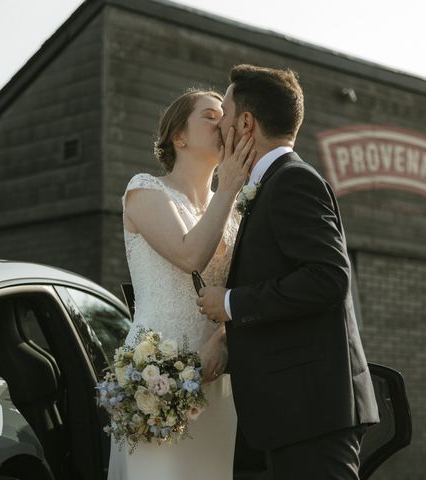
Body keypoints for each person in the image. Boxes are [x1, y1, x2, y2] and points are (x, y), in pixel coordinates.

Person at [197, 65, 380, 480]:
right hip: (295, 414)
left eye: (224, 113)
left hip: (313, 413)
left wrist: (230, 302)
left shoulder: (292, 180)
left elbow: (328, 277)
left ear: (247, 122)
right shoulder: (273, 183)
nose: (221, 124)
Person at [108, 89, 255, 480]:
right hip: (154, 372)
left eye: (225, 115)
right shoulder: (145, 190)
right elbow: (191, 256)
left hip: (214, 374)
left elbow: (242, 292)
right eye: (210, 115)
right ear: (179, 136)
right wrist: (229, 187)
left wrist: (222, 338)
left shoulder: (236, 210)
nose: (222, 122)